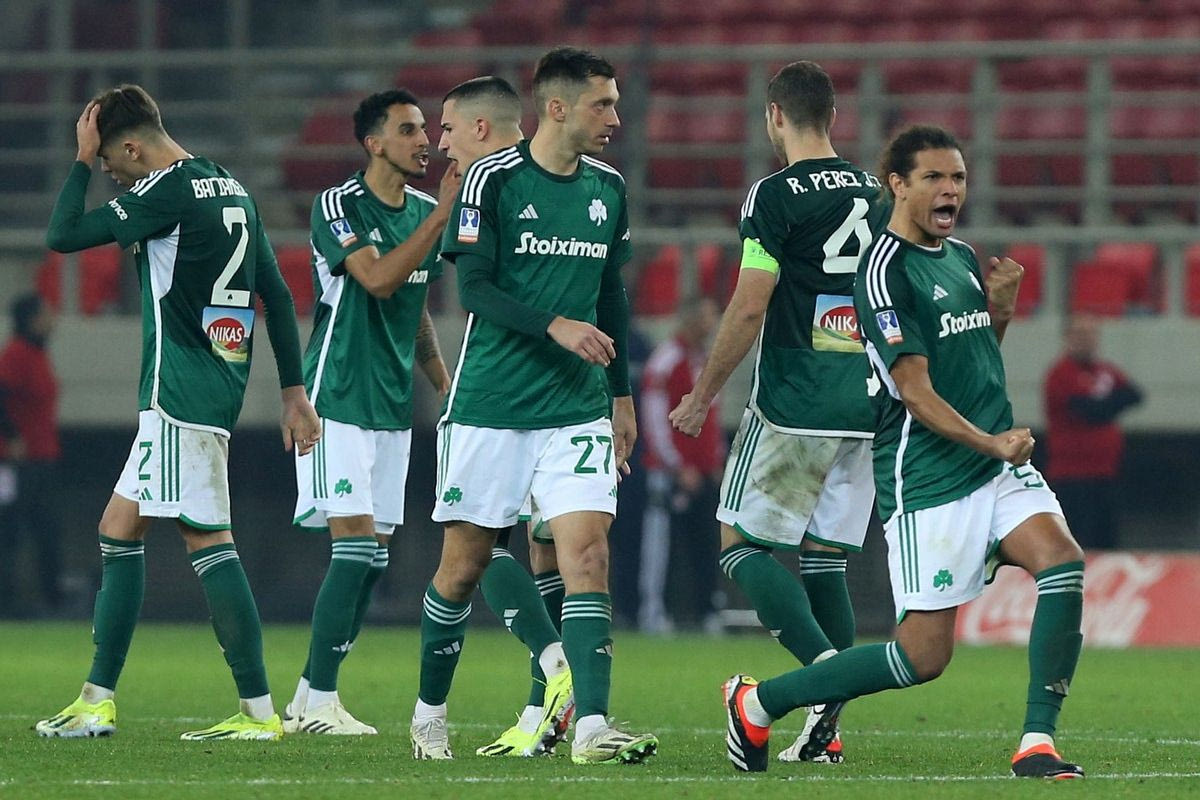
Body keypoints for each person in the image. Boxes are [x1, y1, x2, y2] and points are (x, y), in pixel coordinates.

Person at [722, 125, 1086, 780]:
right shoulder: (882, 271)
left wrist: (999, 314)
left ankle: (1037, 741)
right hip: (927, 479)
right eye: (934, 178)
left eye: (959, 177)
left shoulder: (961, 257)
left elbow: (969, 364)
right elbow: (915, 392)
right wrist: (992, 441)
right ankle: (759, 701)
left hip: (993, 465)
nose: (951, 191)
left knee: (1062, 564)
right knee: (921, 658)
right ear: (897, 184)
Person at [36, 85, 321, 741]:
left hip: (178, 391)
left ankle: (258, 712)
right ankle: (96, 700)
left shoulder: (164, 191)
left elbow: (62, 235)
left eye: (110, 160)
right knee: (118, 529)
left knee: (206, 537)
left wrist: (77, 161)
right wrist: (292, 391)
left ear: (134, 147)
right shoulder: (231, 187)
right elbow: (277, 296)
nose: (110, 173)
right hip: (215, 382)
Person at [410, 47, 657, 765]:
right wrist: (555, 326)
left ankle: (592, 726)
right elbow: (474, 289)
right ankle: (429, 713)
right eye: (602, 104)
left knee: (588, 554)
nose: (614, 118)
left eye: (615, 104)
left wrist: (621, 396)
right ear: (556, 108)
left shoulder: (609, 189)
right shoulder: (490, 179)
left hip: (576, 407)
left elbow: (611, 295)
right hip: (491, 405)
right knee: (464, 565)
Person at [669, 60, 888, 763]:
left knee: (739, 543)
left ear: (774, 116)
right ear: (833, 115)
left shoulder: (773, 194)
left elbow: (750, 302)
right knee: (825, 558)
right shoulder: (876, 193)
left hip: (798, 399)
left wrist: (702, 393)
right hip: (869, 400)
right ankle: (827, 734)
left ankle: (824, 681)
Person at [283, 89, 458, 735]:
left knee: (373, 561)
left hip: (391, 405)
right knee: (355, 551)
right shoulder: (339, 205)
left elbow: (413, 311)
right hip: (335, 397)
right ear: (374, 143)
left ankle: (307, 698)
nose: (425, 140)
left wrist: (445, 386)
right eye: (409, 130)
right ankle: (324, 700)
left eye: (425, 129)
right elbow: (378, 279)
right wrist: (442, 218)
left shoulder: (422, 211)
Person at [437, 75, 579, 759]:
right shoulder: (574, 179)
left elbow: (474, 291)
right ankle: (541, 711)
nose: (442, 144)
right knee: (552, 553)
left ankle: (556, 672)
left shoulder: (489, 182)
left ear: (481, 127)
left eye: (448, 129)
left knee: (480, 547)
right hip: (572, 400)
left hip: (502, 401)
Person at [639, 295, 723, 633]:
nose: (712, 323)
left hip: (703, 471)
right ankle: (653, 611)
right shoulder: (667, 359)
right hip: (669, 472)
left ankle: (708, 611)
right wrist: (677, 464)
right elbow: (654, 418)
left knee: (707, 541)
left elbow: (713, 416)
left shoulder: (705, 359)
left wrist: (714, 459)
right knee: (661, 544)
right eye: (707, 316)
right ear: (689, 319)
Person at [1043, 313, 1143, 550]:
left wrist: (1103, 404)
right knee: (1074, 540)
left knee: (1106, 539)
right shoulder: (1060, 374)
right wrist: (1110, 403)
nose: (1086, 340)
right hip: (1071, 475)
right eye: (1080, 334)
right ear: (1068, 338)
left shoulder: (1105, 371)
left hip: (1105, 472)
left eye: (1090, 334)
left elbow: (1135, 395)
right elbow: (1087, 410)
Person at [0, 294, 63, 616]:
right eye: (46, 314)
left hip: (41, 457)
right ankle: (7, 601)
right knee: (10, 530)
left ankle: (50, 598)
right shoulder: (16, 354)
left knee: (46, 528)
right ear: (31, 319)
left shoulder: (37, 354)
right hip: (17, 461)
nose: (52, 320)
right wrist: (12, 437)